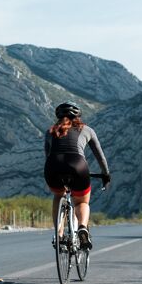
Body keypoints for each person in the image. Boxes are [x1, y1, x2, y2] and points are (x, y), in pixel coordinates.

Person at [45, 102, 110, 250]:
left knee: (58, 196)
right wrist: (106, 174)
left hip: (52, 167)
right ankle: (82, 227)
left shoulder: (50, 131)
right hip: (78, 166)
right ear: (78, 116)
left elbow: (47, 156)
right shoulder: (87, 130)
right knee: (82, 202)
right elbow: (100, 157)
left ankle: (59, 233)